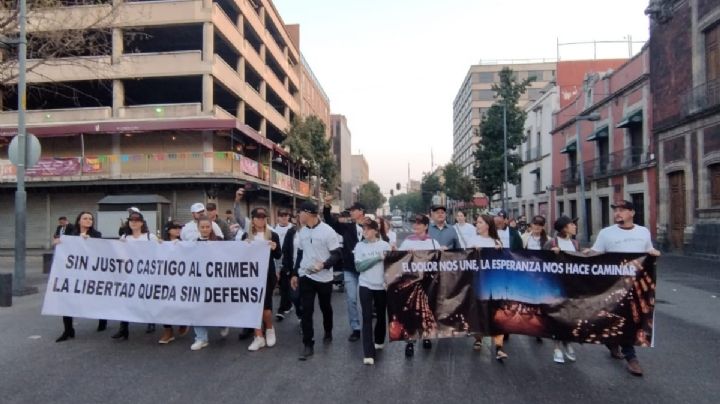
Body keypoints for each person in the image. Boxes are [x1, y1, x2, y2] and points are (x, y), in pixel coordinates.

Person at [585, 200, 661, 377]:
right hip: (613, 284)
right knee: (619, 317)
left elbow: (648, 250)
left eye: (622, 210)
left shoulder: (643, 232)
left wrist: (654, 253)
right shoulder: (606, 233)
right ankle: (623, 350)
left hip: (637, 284)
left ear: (632, 213)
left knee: (633, 318)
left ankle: (622, 349)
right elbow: (597, 252)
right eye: (615, 211)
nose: (617, 213)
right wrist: (582, 253)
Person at [291, 201, 342, 360]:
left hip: (324, 277)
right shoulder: (302, 232)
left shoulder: (328, 232)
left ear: (309, 213)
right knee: (307, 309)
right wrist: (294, 273)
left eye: (300, 212)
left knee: (325, 307)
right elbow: (300, 253)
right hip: (306, 275)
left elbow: (337, 254)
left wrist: (324, 265)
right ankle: (308, 344)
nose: (298, 215)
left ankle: (328, 330)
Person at [54, 211, 106, 342]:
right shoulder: (70, 235)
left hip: (91, 273)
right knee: (67, 300)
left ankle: (102, 319)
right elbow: (58, 242)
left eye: (90, 219)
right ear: (79, 221)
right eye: (85, 218)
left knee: (96, 299)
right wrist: (58, 241)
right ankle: (68, 329)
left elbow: (101, 250)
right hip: (74, 273)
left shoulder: (96, 235)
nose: (88, 221)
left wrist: (89, 242)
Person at [323, 197, 366, 342]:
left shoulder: (372, 227)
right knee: (351, 300)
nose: (351, 213)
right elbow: (330, 222)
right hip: (349, 269)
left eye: (353, 210)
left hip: (367, 270)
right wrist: (327, 206)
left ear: (361, 212)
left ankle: (368, 326)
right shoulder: (347, 227)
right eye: (350, 211)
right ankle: (356, 328)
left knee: (367, 301)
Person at [113, 209, 159, 340]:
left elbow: (158, 252)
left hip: (147, 273)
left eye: (136, 221)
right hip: (130, 273)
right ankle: (123, 328)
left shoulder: (150, 237)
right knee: (126, 300)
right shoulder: (125, 238)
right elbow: (119, 253)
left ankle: (151, 321)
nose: (133, 223)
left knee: (147, 298)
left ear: (141, 223)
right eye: (131, 221)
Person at [397, 214, 439, 358]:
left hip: (428, 283)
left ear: (426, 226)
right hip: (412, 283)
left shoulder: (433, 243)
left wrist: (444, 251)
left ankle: (426, 336)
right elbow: (397, 259)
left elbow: (441, 261)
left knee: (427, 309)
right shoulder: (408, 242)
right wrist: (404, 254)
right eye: (415, 223)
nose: (416, 226)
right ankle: (410, 341)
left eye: (419, 224)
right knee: (412, 311)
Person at [466, 215, 507, 360]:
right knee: (479, 311)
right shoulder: (472, 241)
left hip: (494, 284)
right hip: (478, 282)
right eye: (476, 222)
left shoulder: (496, 241)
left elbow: (503, 262)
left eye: (479, 222)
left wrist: (500, 250)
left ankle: (499, 347)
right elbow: (465, 261)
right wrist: (472, 251)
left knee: (496, 313)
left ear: (487, 225)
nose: (476, 224)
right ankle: (478, 338)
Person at [241, 207, 282, 351]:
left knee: (266, 308)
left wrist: (275, 248)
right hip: (250, 275)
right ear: (252, 219)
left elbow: (278, 255)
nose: (261, 219)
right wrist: (244, 247)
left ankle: (269, 329)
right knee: (253, 306)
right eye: (258, 217)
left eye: (263, 217)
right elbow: (240, 257)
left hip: (267, 275)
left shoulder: (272, 235)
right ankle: (258, 336)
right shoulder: (246, 236)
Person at [543, 215, 580, 363]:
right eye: (572, 224)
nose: (575, 227)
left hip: (572, 286)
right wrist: (552, 254)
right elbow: (541, 262)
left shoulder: (575, 243)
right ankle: (557, 347)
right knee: (558, 317)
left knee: (570, 317)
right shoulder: (551, 242)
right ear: (565, 227)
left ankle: (568, 343)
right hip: (555, 286)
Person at [354, 218, 391, 365]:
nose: (365, 232)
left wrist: (389, 281)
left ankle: (380, 339)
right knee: (367, 317)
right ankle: (368, 353)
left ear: (375, 230)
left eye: (368, 229)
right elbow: (359, 267)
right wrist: (377, 258)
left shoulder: (385, 245)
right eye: (363, 229)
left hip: (381, 285)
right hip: (365, 285)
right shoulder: (359, 246)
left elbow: (391, 265)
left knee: (381, 315)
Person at [190, 216, 229, 351]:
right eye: (202, 227)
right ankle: (201, 338)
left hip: (215, 281)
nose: (205, 229)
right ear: (198, 228)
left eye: (207, 227)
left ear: (211, 227)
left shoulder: (219, 241)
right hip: (199, 282)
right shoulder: (193, 243)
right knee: (197, 308)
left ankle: (223, 324)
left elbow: (232, 254)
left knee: (216, 307)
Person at [158, 221, 190, 344]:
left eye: (179, 228)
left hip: (180, 279)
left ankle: (183, 321)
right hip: (165, 279)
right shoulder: (161, 243)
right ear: (168, 230)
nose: (178, 230)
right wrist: (158, 245)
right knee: (164, 304)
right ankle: (168, 330)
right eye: (175, 228)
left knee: (180, 302)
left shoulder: (184, 243)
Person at [274, 209, 295, 321]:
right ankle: (287, 305)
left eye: (285, 215)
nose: (283, 217)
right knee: (283, 286)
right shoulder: (273, 229)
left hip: (291, 262)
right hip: (278, 261)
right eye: (281, 215)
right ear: (278, 217)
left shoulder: (293, 229)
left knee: (288, 286)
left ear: (289, 216)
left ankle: (282, 308)